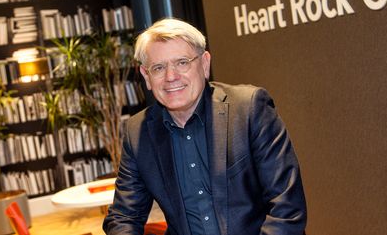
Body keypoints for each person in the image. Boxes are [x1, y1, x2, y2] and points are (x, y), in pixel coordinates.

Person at [103, 18, 307, 235]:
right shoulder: (138, 132)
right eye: (159, 67)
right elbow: (124, 216)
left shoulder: (249, 109)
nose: (171, 77)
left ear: (204, 63)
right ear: (146, 76)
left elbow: (287, 208)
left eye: (182, 62)